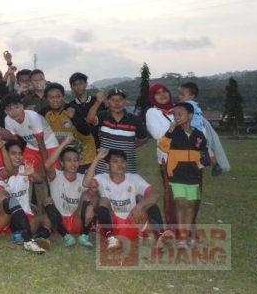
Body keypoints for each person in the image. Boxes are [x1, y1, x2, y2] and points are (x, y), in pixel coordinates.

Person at [83, 148, 170, 251]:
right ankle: (111, 239)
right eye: (115, 161)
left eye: (122, 161)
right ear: (107, 166)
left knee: (150, 203)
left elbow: (155, 194)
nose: (120, 164)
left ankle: (160, 236)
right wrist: (97, 158)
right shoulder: (102, 178)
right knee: (104, 200)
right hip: (112, 225)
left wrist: (140, 206)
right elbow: (86, 183)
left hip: (132, 221)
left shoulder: (134, 178)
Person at [158, 103, 210, 247]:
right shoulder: (173, 132)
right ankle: (181, 238)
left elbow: (204, 152)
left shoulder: (198, 135)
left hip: (193, 177)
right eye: (174, 114)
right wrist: (170, 130)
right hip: (177, 175)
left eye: (180, 113)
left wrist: (202, 163)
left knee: (191, 206)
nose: (176, 117)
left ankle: (188, 237)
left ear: (190, 115)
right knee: (180, 204)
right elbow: (163, 146)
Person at [0, 140, 53, 248]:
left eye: (20, 154)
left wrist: (32, 173)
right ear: (6, 155)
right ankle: (27, 237)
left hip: (28, 216)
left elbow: (40, 181)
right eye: (13, 153)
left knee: (49, 218)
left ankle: (39, 237)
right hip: (12, 220)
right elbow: (0, 201)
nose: (17, 157)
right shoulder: (0, 174)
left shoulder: (24, 169)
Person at [42, 140, 95, 248]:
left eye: (76, 160)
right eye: (69, 160)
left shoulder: (83, 178)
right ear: (62, 163)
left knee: (88, 196)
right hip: (58, 222)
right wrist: (65, 143)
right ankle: (66, 236)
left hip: (77, 221)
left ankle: (84, 235)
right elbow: (47, 165)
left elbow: (94, 195)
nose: (73, 163)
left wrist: (91, 206)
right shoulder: (56, 175)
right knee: (47, 200)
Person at [87, 88, 147, 174]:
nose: (117, 103)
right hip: (104, 169)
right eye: (113, 100)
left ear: (125, 102)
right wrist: (98, 102)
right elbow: (89, 119)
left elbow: (143, 139)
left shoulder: (135, 120)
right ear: (108, 102)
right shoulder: (103, 116)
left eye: (120, 100)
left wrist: (128, 146)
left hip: (127, 170)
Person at [42, 82, 96, 173]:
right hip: (66, 162)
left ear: (63, 96)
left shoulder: (73, 109)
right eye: (51, 97)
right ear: (46, 99)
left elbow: (86, 131)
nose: (55, 100)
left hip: (85, 160)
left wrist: (74, 118)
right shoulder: (45, 114)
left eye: (58, 96)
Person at [179, 82, 228, 175]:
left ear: (192, 96)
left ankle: (202, 164)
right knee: (205, 148)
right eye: (179, 94)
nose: (180, 96)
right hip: (202, 131)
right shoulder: (196, 106)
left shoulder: (186, 105)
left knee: (196, 150)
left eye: (182, 94)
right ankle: (215, 165)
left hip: (195, 132)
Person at [145, 83, 176, 224]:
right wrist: (176, 128)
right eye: (158, 93)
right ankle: (172, 227)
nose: (162, 95)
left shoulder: (178, 109)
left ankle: (188, 227)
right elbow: (157, 134)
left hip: (188, 157)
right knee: (171, 194)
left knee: (190, 194)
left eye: (165, 91)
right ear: (153, 97)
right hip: (168, 159)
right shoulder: (152, 112)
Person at [67, 72, 106, 148]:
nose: (78, 87)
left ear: (86, 84)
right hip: (80, 145)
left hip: (99, 144)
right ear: (71, 87)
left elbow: (103, 122)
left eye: (80, 83)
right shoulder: (71, 106)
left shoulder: (97, 101)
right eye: (75, 84)